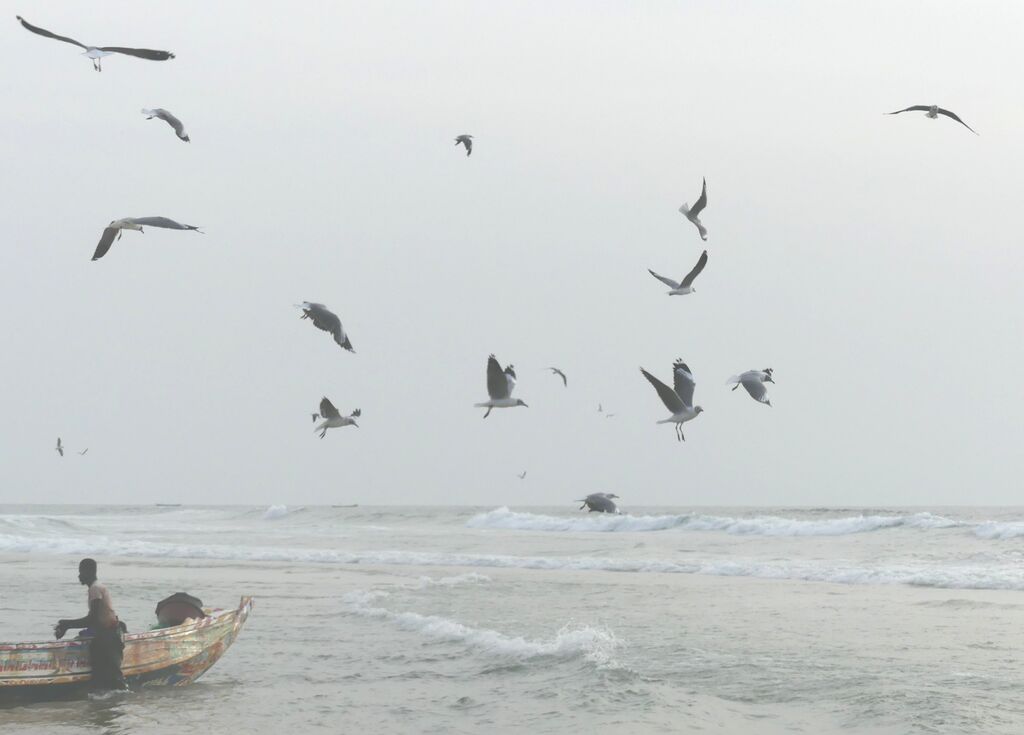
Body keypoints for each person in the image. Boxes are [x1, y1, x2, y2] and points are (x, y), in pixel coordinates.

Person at [53, 558, 127, 692]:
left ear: (88, 571)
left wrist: (66, 624)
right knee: (107, 679)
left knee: (113, 679)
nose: (79, 576)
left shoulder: (95, 589)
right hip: (106, 636)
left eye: (81, 572)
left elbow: (92, 619)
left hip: (108, 637)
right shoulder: (96, 588)